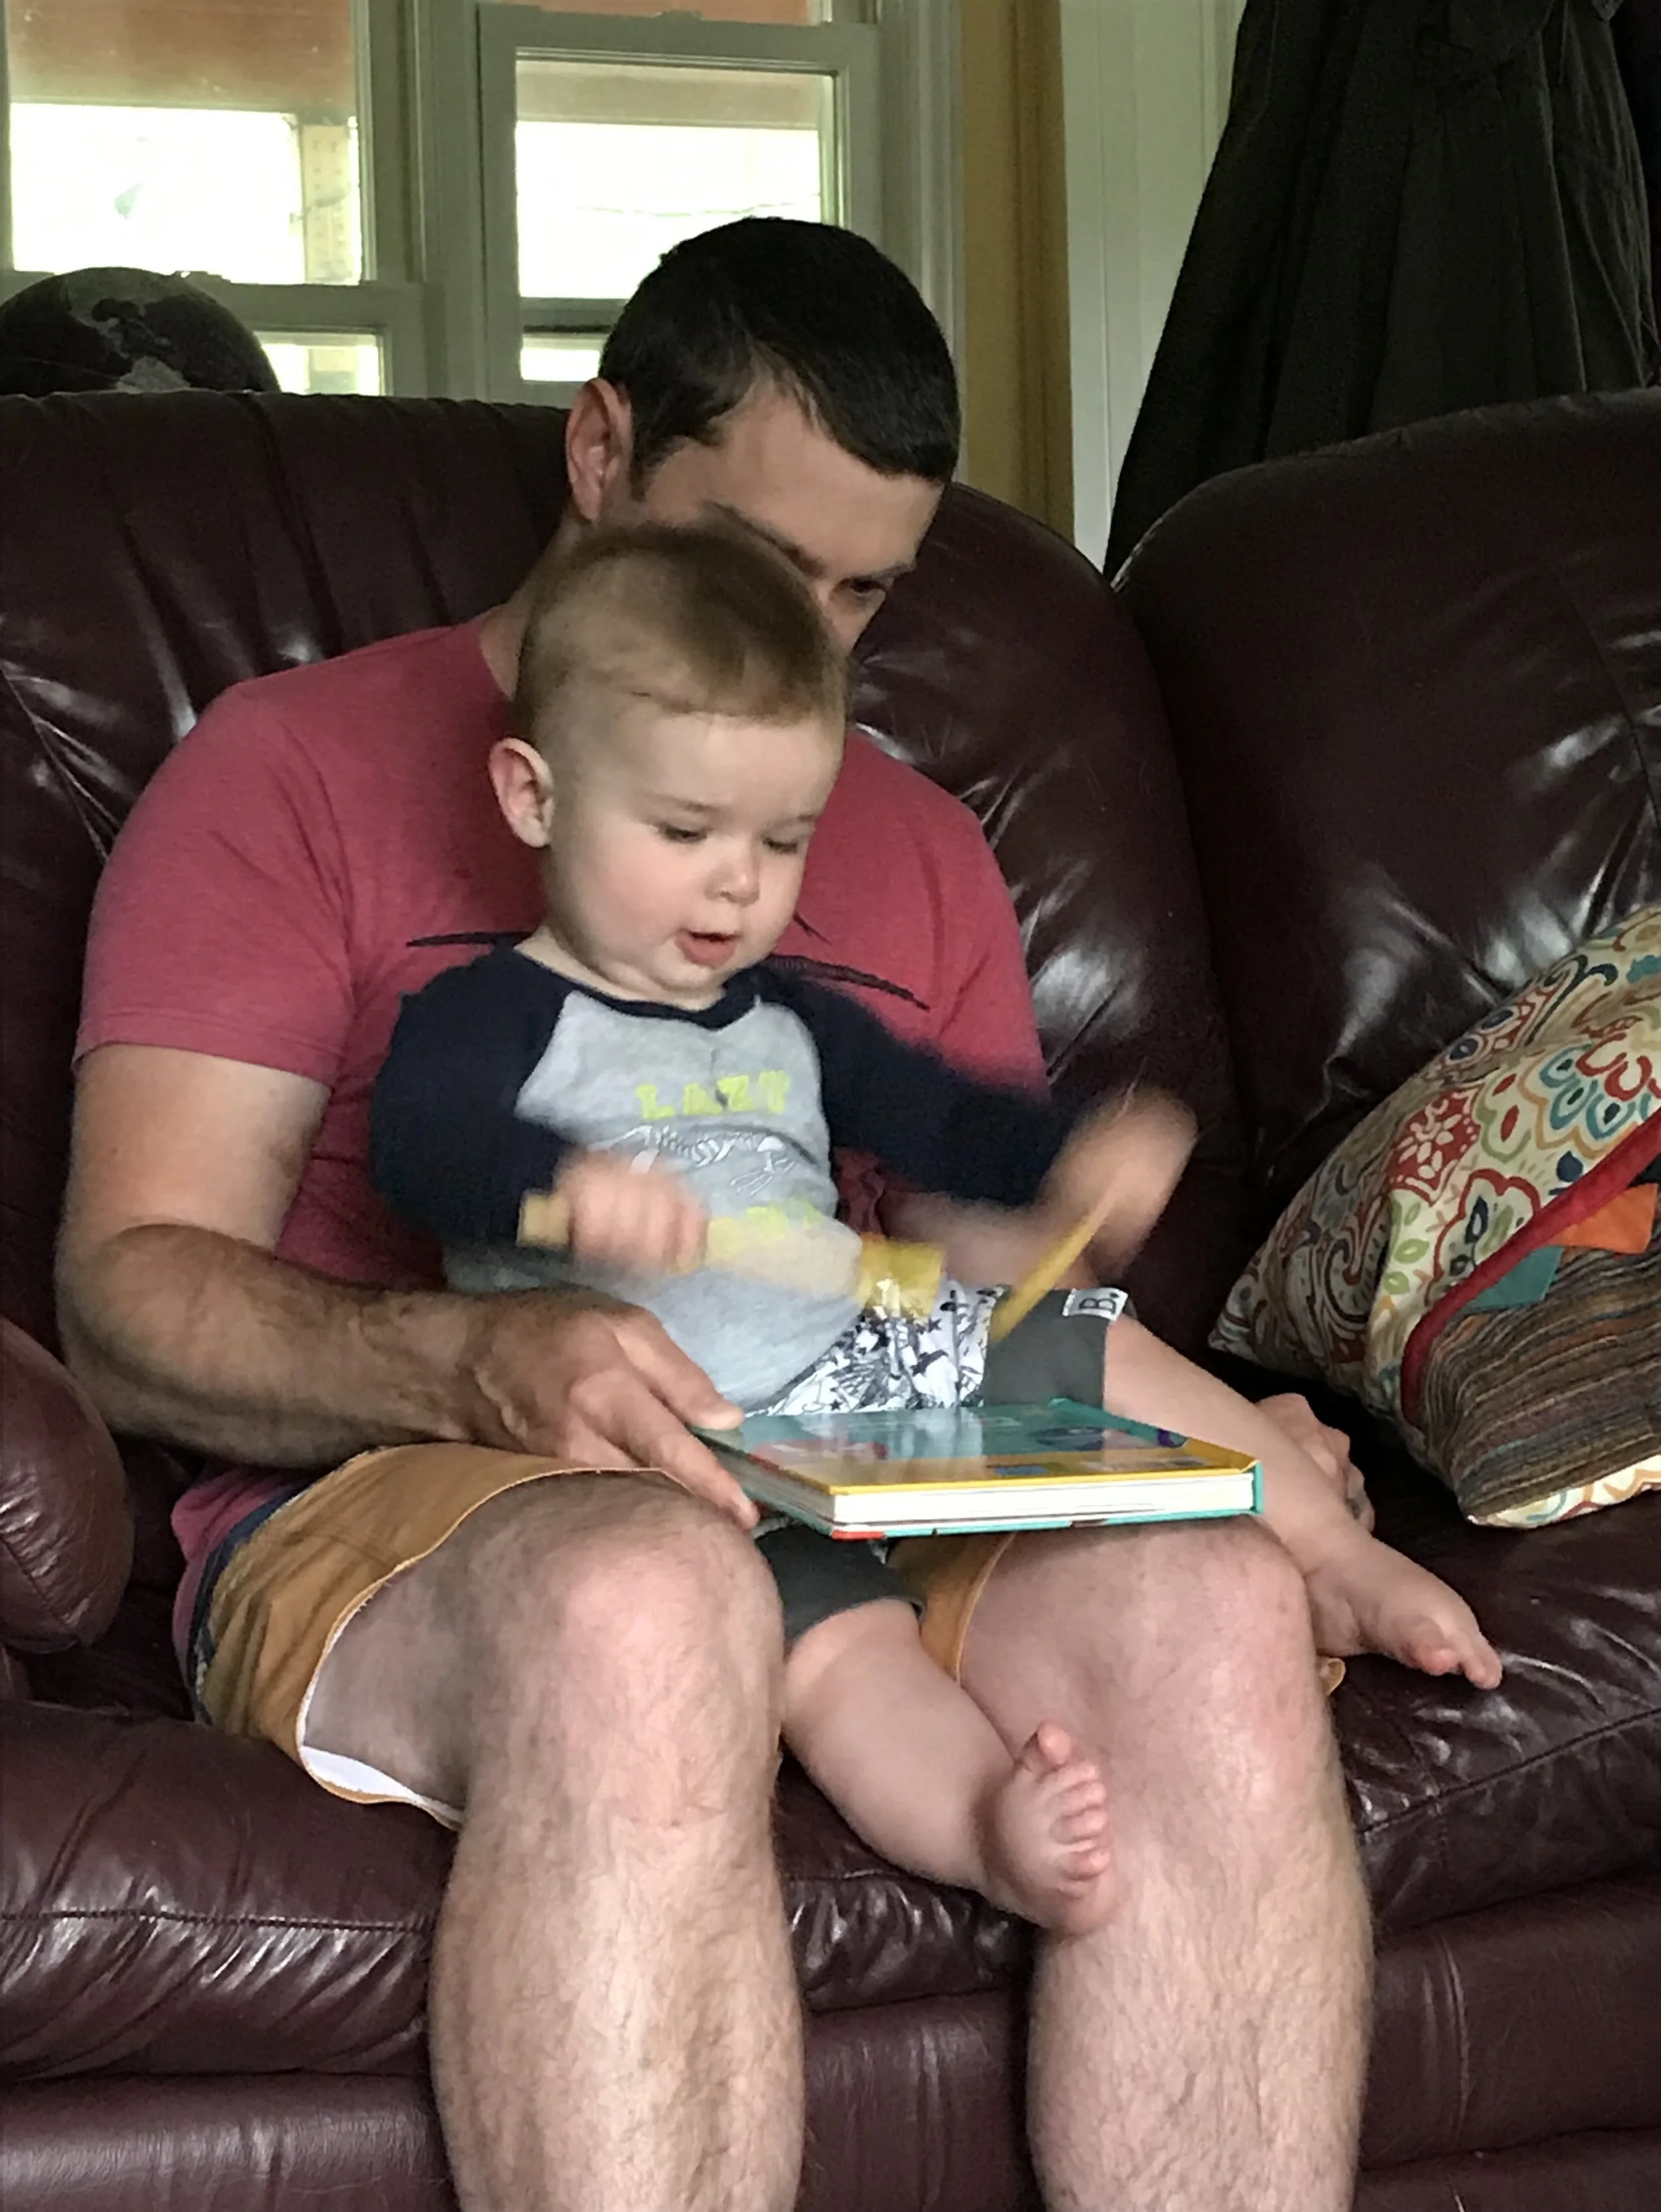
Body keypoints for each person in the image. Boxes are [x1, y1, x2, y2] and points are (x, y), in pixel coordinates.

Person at [61, 218, 1383, 2212]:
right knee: (649, 1601)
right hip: (412, 1493)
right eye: (768, 566)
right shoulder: (292, 775)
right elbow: (127, 1294)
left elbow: (961, 1296)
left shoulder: (915, 846)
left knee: (1213, 1609)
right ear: (600, 453)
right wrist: (479, 1354)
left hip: (826, 1458)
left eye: (865, 591)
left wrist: (1210, 1438)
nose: (822, 652)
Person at [371, 524, 1500, 1933]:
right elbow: (418, 1144)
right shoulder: (488, 1015)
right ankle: (981, 1820)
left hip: (850, 1350)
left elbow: (937, 1117)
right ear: (533, 796)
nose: (736, 883)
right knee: (837, 1658)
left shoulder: (785, 1016)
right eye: (682, 832)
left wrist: (1072, 1157)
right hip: (669, 1443)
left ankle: (1324, 1555)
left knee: (1078, 1337)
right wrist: (549, 1184)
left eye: (781, 839)